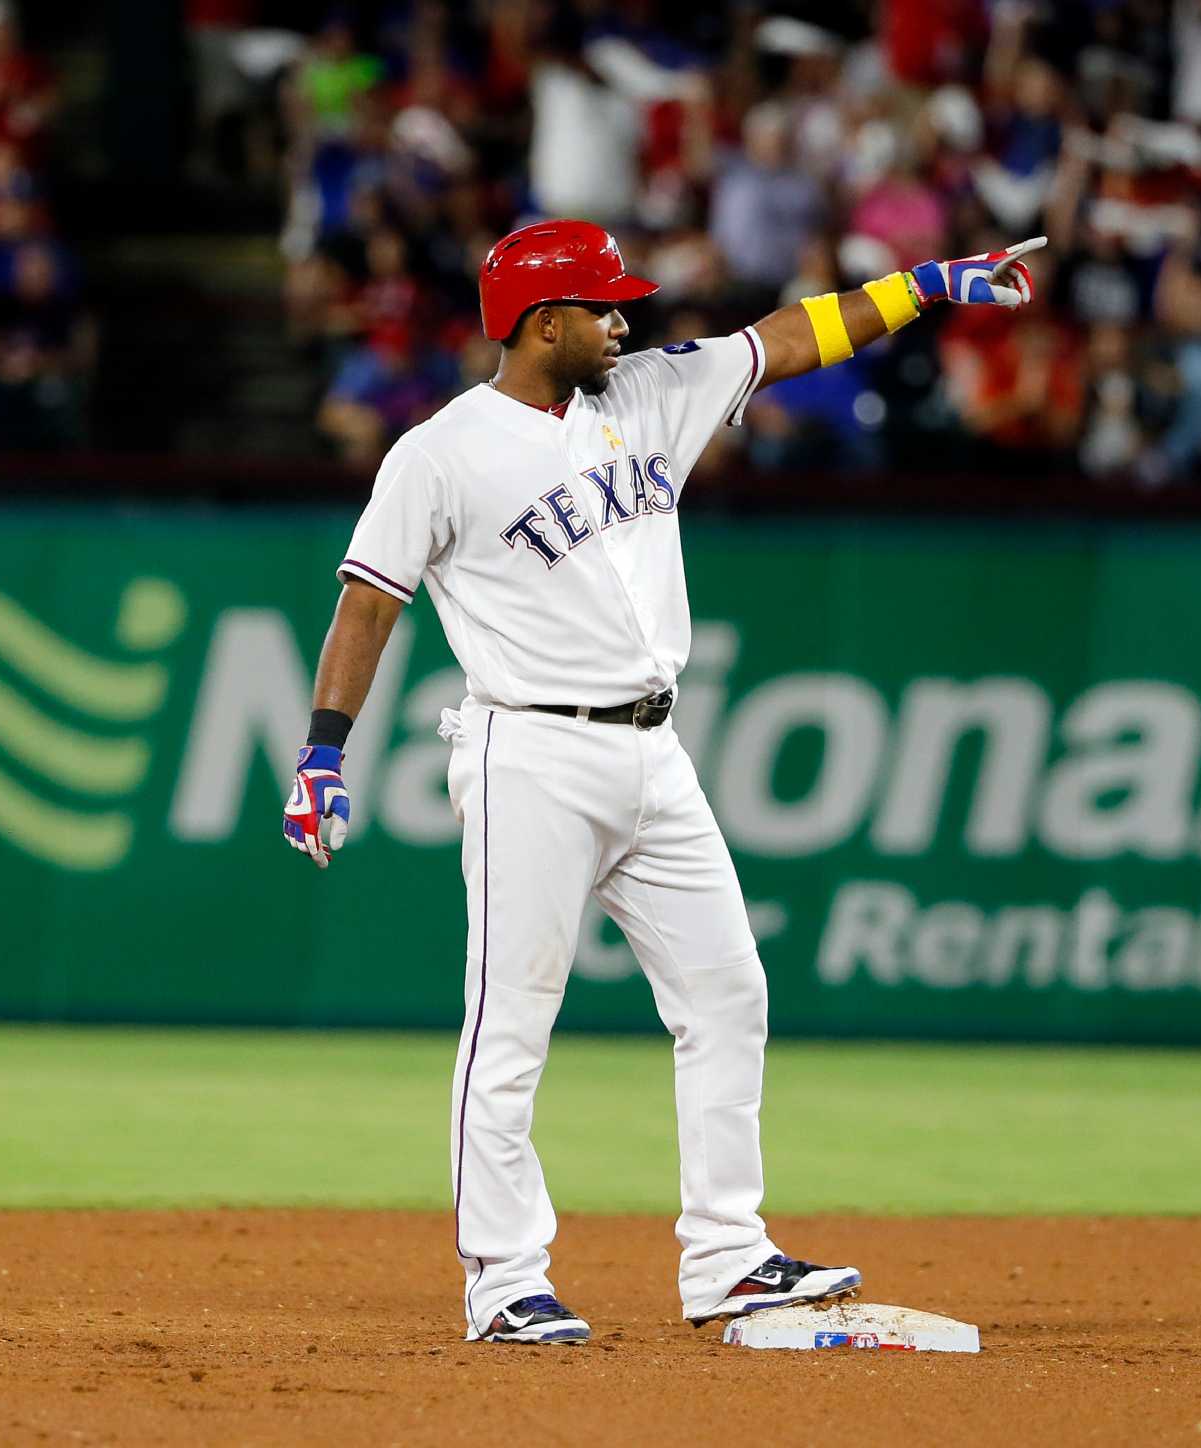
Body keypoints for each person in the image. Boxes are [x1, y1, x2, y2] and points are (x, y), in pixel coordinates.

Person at [282, 218, 1042, 1343]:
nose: (620, 319)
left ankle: (728, 1255)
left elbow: (788, 339)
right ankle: (502, 1279)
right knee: (510, 1026)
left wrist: (921, 285)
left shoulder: (647, 391)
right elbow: (368, 599)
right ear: (544, 324)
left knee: (727, 992)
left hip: (653, 750)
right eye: (599, 306)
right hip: (526, 751)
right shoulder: (438, 453)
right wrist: (322, 749)